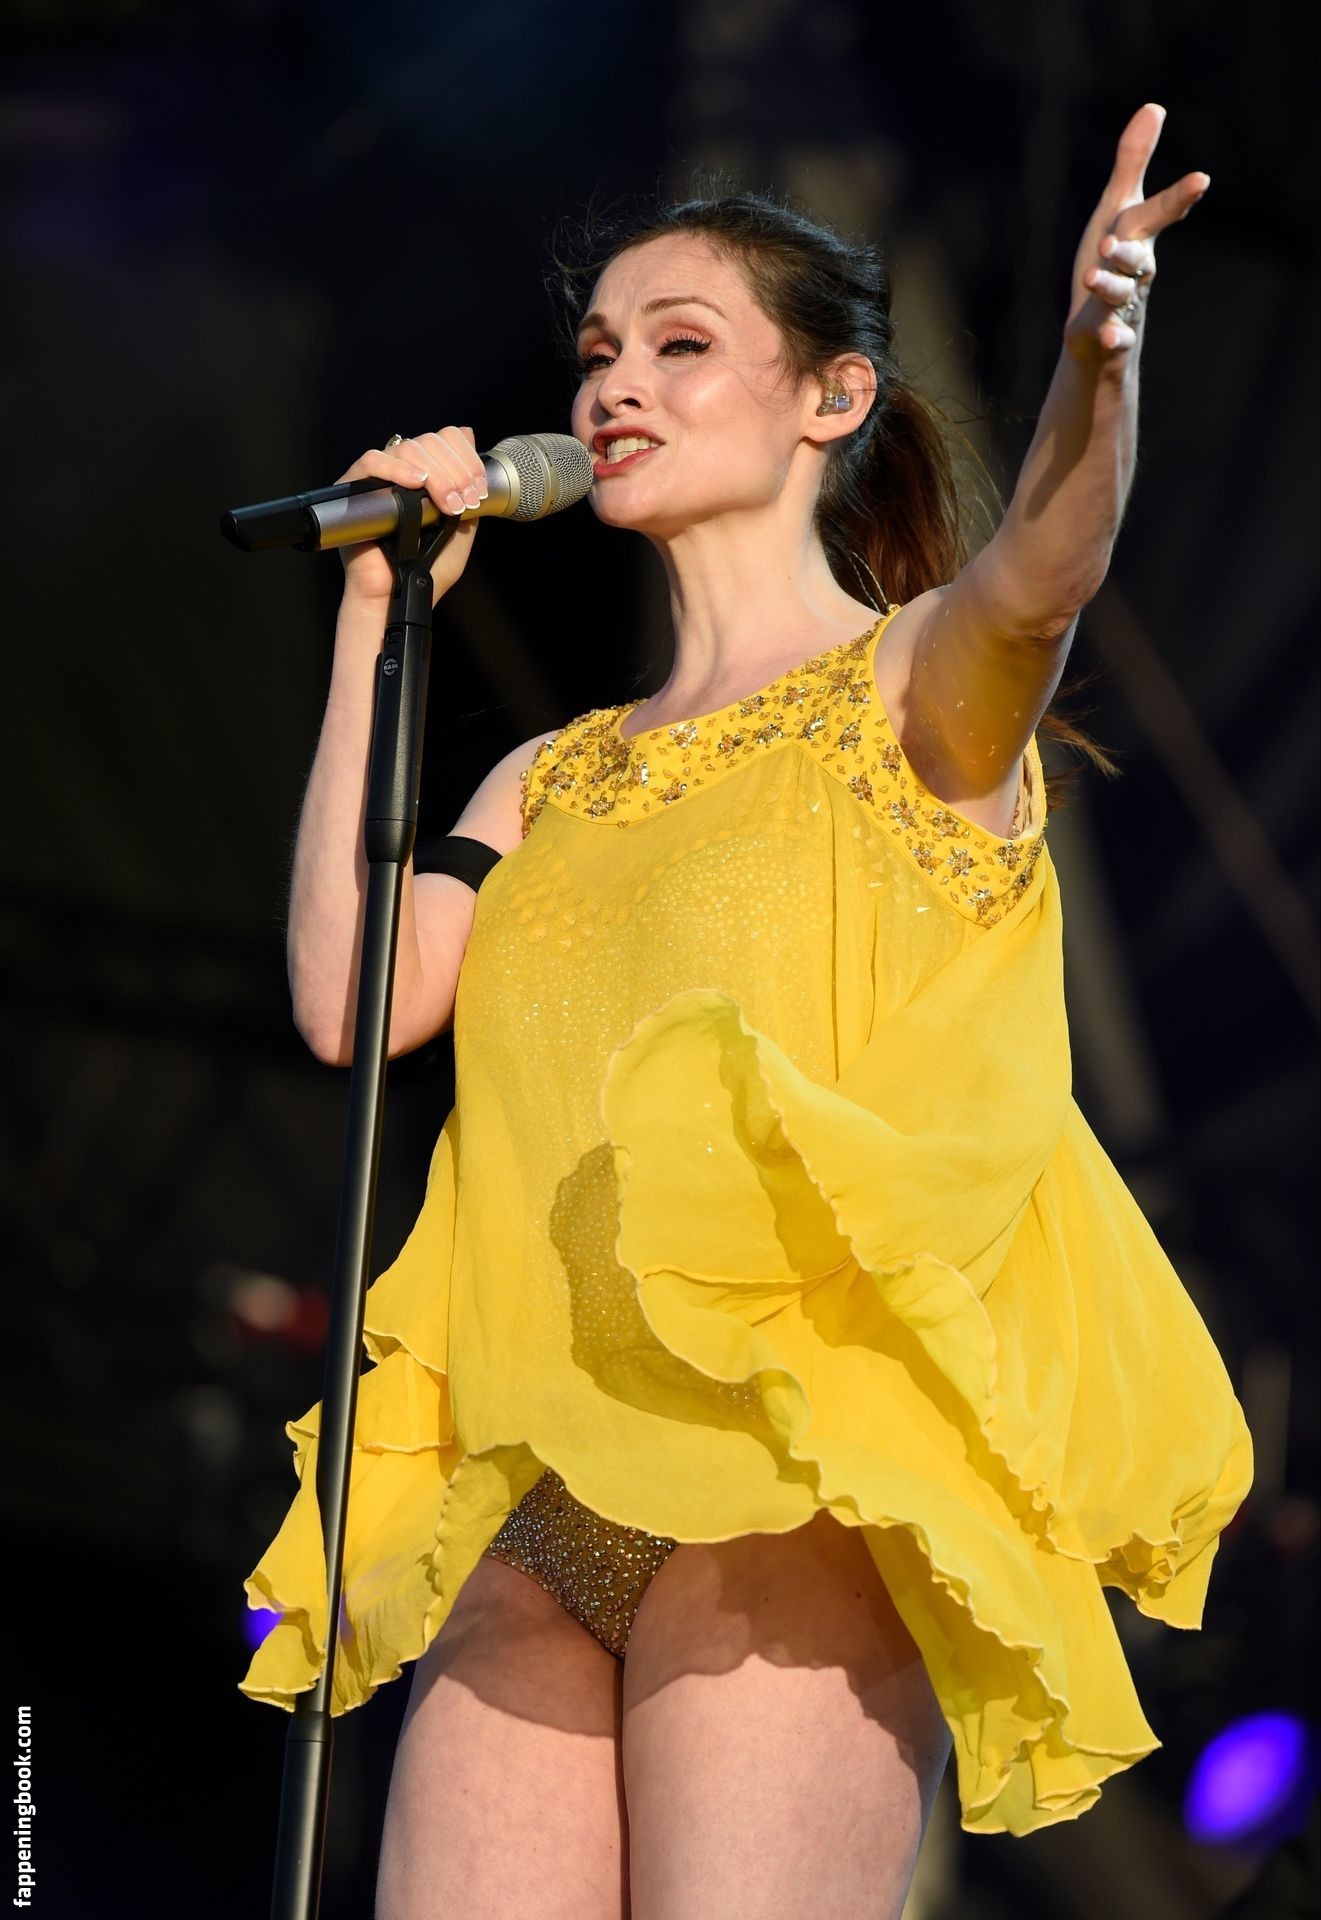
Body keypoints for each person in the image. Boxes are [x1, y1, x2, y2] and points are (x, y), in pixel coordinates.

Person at [241, 103, 1253, 1918]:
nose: (616, 384)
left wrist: (1097, 365)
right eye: (597, 353)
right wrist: (371, 617)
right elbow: (348, 1001)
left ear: (831, 399)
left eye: (680, 344)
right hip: (540, 1512)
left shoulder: (908, 688)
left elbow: (1043, 576)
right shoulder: (545, 779)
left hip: (787, 1504)